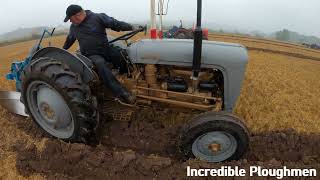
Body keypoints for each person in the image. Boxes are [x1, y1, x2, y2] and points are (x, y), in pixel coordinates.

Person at [62, 4, 140, 104]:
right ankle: (123, 93)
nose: (70, 21)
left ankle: (127, 77)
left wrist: (132, 27)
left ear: (78, 15)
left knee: (120, 54)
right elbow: (69, 40)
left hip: (105, 49)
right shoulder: (74, 27)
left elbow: (115, 24)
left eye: (70, 19)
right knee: (101, 64)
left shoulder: (97, 17)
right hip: (91, 54)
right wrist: (63, 50)